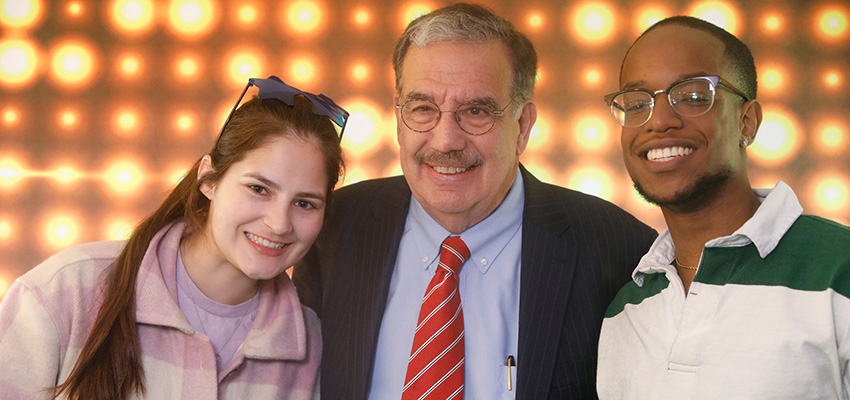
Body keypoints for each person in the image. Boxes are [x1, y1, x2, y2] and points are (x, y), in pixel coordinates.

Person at [292, 3, 657, 399]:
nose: (446, 140)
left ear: (522, 125)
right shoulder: (334, 227)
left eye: (476, 111)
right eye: (423, 109)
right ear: (399, 119)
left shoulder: (620, 251)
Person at [0, 76, 347, 400]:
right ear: (208, 179)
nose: (278, 223)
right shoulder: (65, 291)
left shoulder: (311, 345)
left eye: (304, 203)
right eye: (259, 188)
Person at [597, 16, 850, 399]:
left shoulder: (839, 267)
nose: (660, 120)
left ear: (747, 122)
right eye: (636, 103)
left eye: (694, 96)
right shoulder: (625, 309)